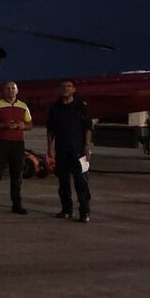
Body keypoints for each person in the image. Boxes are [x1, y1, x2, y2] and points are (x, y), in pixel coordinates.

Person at [47, 79, 92, 222]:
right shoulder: (55, 108)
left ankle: (84, 212)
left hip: (78, 151)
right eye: (64, 87)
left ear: (73, 89)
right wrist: (50, 148)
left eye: (69, 86)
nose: (66, 89)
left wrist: (87, 146)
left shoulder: (80, 107)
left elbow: (87, 128)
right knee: (64, 183)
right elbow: (50, 130)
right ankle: (66, 210)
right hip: (62, 151)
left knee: (81, 183)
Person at [0, 81, 33, 214]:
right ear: (4, 91)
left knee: (17, 176)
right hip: (1, 143)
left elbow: (30, 123)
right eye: (8, 88)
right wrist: (4, 125)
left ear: (17, 91)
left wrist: (24, 126)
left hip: (17, 143)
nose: (11, 91)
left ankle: (17, 205)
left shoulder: (23, 106)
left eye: (13, 88)